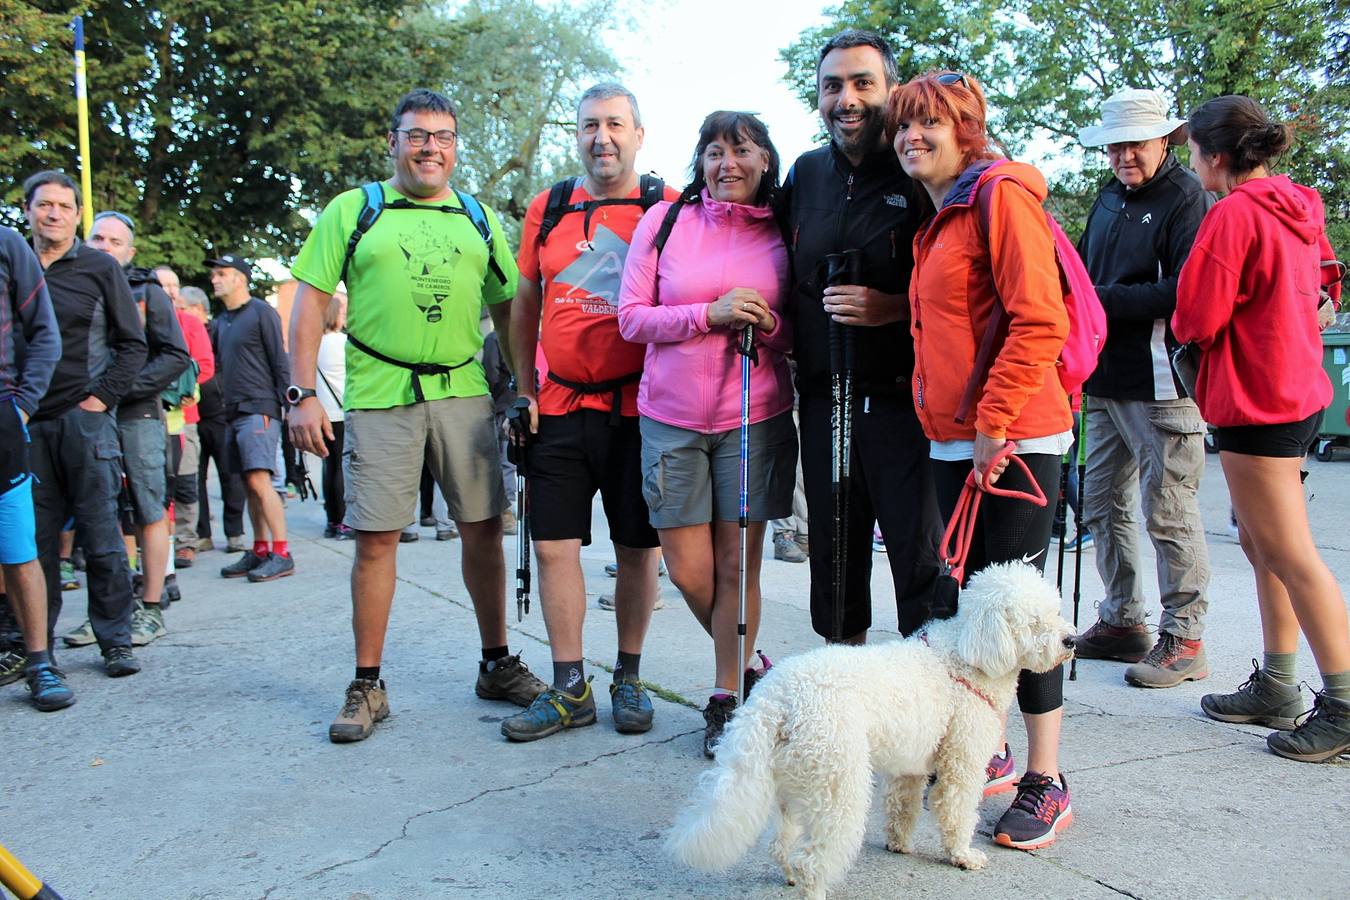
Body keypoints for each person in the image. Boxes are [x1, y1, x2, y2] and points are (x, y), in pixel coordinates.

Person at [287, 87, 545, 744]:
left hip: (462, 393)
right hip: (379, 396)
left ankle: (495, 664)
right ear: (394, 141)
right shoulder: (356, 210)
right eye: (417, 135)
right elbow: (311, 303)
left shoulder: (479, 218)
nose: (431, 147)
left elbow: (509, 308)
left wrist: (523, 385)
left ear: (455, 145)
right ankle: (368, 683)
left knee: (484, 531)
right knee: (376, 540)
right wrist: (300, 393)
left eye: (443, 136)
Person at [891, 71, 1073, 849]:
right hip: (953, 439)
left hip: (1016, 438)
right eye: (904, 126)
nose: (911, 137)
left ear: (967, 129)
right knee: (972, 612)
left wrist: (995, 421)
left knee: (1023, 615)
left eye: (930, 123)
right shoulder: (941, 218)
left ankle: (1047, 779)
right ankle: (985, 751)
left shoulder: (1001, 197)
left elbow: (1041, 319)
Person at [1175, 94, 1350, 762]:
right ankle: (1277, 683)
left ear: (1216, 155)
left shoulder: (1233, 216)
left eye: (1192, 149)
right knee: (1260, 542)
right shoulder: (1299, 205)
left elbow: (1196, 316)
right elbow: (1327, 282)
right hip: (1296, 388)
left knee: (1290, 553)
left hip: (1258, 398)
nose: (1191, 161)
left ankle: (1343, 705)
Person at [619, 110, 797, 756]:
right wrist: (709, 314)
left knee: (735, 561)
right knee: (690, 569)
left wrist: (770, 325)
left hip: (754, 415)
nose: (727, 165)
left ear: (766, 162)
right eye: (715, 152)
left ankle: (727, 695)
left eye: (742, 151)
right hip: (670, 419)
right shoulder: (664, 223)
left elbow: (801, 329)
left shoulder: (785, 231)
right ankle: (751, 663)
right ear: (701, 163)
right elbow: (631, 319)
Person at [500, 82, 672, 743]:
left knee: (638, 550)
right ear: (576, 134)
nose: (602, 137)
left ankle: (629, 677)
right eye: (589, 125)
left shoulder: (663, 206)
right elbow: (524, 305)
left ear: (638, 134)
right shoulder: (547, 208)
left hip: (638, 409)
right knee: (552, 549)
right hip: (559, 405)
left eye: (615, 125)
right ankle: (569, 687)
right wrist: (525, 388)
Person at [778, 29, 942, 645]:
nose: (847, 99)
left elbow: (961, 287)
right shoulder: (807, 173)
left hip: (903, 402)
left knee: (918, 560)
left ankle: (933, 704)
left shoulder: (918, 167)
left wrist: (893, 307)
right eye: (832, 86)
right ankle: (843, 689)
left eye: (862, 83)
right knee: (835, 554)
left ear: (890, 90)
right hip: (824, 399)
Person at [1071, 88, 1215, 686]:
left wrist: (1096, 300)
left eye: (1136, 143)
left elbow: (1184, 291)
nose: (1124, 155)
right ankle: (1124, 619)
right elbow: (1079, 269)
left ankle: (1185, 635)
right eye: (1115, 145)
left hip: (1162, 380)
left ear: (1166, 140)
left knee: (1169, 509)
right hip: (1103, 376)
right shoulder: (1109, 195)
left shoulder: (1187, 198)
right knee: (1102, 503)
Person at [22, 170, 147, 679]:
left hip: (85, 422)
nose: (53, 214)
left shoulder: (98, 267)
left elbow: (133, 346)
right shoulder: (14, 264)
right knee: (32, 544)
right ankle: (31, 647)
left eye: (63, 206)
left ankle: (115, 640)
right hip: (25, 425)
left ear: (77, 215)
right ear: (27, 209)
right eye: (43, 204)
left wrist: (99, 400)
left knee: (101, 538)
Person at [86, 210, 192, 646]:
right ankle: (109, 611)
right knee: (100, 513)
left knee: (149, 507)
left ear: (130, 251)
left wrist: (120, 390)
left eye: (115, 241)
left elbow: (175, 355)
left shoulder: (147, 291)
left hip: (138, 413)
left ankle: (150, 608)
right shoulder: (74, 286)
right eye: (98, 239)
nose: (105, 247)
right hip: (88, 415)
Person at [0, 225, 64, 708]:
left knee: (19, 548)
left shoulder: (6, 243)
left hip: (3, 418)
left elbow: (45, 332)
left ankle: (39, 663)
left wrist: (21, 405)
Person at [209, 253, 294, 583]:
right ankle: (260, 550)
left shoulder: (261, 313)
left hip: (260, 408)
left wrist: (288, 406)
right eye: (214, 274)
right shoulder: (221, 322)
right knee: (248, 482)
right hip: (233, 410)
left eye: (222, 273)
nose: (215, 278)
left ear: (240, 278)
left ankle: (282, 552)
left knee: (260, 479)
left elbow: (279, 360)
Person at [163, 278, 217, 567]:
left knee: (185, 481)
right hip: (142, 418)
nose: (169, 291)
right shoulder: (136, 322)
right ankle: (159, 543)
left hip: (184, 418)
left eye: (173, 285)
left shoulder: (189, 324)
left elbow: (205, 366)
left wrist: (183, 390)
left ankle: (185, 541)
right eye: (162, 285)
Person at [316, 293, 352, 539]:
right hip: (341, 411)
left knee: (328, 466)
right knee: (341, 466)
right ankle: (343, 521)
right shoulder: (343, 343)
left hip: (322, 412)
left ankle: (331, 520)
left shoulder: (315, 343)